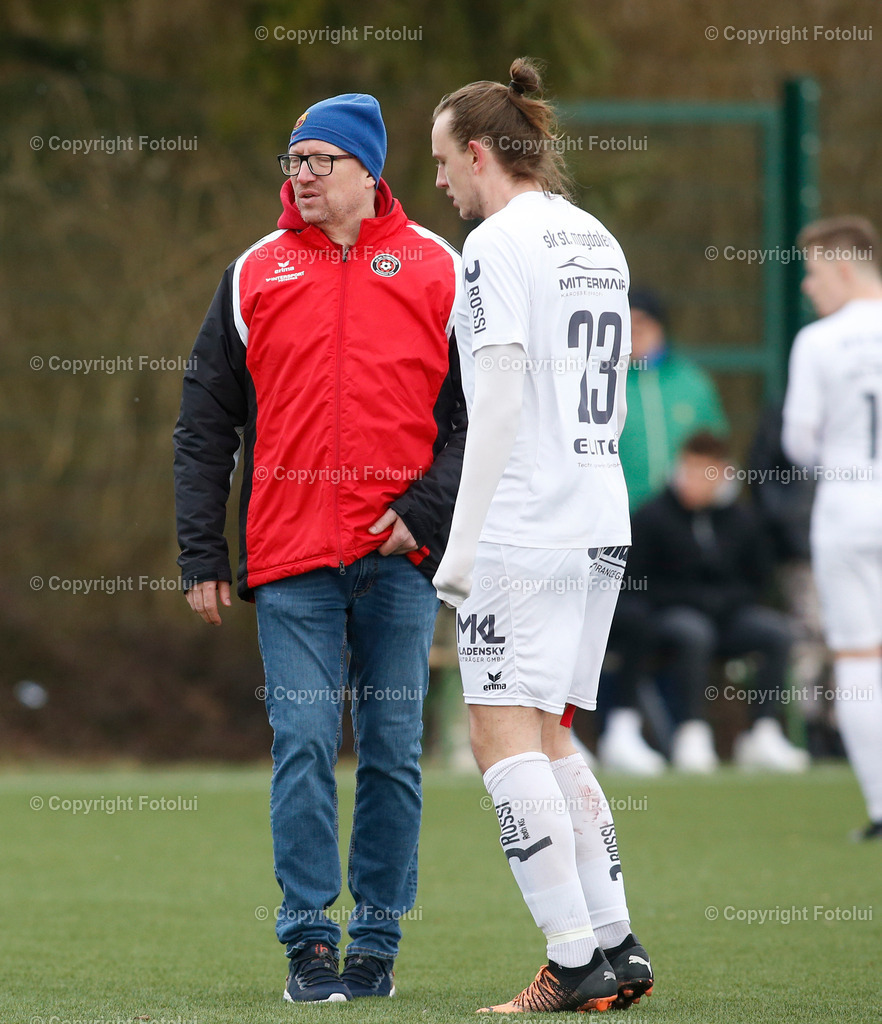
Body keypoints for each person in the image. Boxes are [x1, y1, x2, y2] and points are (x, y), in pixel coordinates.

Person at [174, 93, 465, 1002]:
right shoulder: (253, 272)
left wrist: (425, 513)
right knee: (301, 743)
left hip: (399, 559)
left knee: (391, 750)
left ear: (367, 170)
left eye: (319, 160)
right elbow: (203, 423)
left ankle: (376, 943)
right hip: (290, 557)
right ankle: (308, 943)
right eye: (292, 160)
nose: (300, 176)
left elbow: (484, 417)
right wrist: (200, 553)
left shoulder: (440, 268)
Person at [431, 58, 653, 1014]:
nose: (439, 179)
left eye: (443, 159)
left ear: (481, 152)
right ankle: (616, 945)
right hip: (599, 512)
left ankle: (571, 962)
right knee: (554, 731)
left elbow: (502, 398)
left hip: (525, 522)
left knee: (499, 735)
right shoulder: (596, 235)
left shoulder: (494, 244)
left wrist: (461, 544)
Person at [620, 431, 808, 773]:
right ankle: (691, 732)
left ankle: (762, 732)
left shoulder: (743, 520)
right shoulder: (651, 516)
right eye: (689, 470)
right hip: (669, 618)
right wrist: (696, 600)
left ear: (722, 474)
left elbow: (756, 581)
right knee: (694, 633)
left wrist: (722, 602)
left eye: (704, 472)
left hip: (727, 617)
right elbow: (639, 586)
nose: (694, 481)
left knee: (777, 633)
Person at [597, 288, 728, 772]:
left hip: (676, 546)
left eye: (642, 323)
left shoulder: (692, 383)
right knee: (609, 627)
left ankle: (685, 734)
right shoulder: (601, 381)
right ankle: (605, 732)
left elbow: (716, 454)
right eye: (625, 323)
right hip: (610, 538)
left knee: (679, 628)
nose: (633, 334)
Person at [782, 215, 882, 841]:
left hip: (847, 512)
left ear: (844, 268)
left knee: (858, 655)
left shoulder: (818, 342)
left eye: (815, 273)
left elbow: (799, 441)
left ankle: (879, 808)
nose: (807, 286)